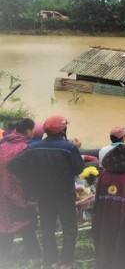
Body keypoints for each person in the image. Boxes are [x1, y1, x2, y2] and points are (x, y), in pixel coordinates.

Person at [8, 115, 85, 269]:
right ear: (63, 129)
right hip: (64, 195)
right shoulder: (68, 148)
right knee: (69, 229)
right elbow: (79, 169)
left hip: (43, 197)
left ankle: (51, 261)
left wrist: (32, 175)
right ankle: (66, 262)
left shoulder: (33, 147)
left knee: (47, 229)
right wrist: (76, 149)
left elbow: (12, 166)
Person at [0, 118, 41, 260]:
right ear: (28, 131)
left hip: (2, 196)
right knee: (28, 226)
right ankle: (35, 257)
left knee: (5, 225)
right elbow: (31, 176)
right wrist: (34, 199)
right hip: (20, 195)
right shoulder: (26, 148)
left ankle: (3, 257)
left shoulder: (2, 145)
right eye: (33, 129)